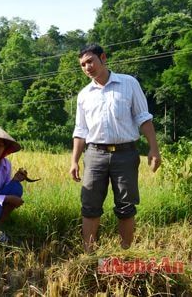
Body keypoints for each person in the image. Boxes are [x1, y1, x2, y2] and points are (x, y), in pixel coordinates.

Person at [69, 44, 161, 254]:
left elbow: (143, 118)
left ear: (103, 58)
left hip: (125, 154)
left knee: (126, 207)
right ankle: (89, 255)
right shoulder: (84, 95)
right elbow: (80, 129)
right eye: (83, 65)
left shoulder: (128, 83)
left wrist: (154, 149)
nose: (87, 67)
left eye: (90, 61)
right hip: (94, 155)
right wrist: (74, 160)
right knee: (90, 205)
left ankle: (125, 254)